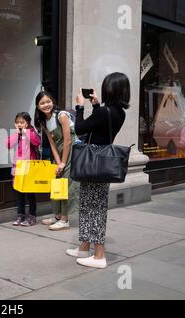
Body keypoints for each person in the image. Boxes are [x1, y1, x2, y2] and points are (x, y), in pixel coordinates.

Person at [66, 72, 129, 269]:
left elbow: (82, 128)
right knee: (89, 205)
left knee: (95, 208)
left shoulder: (104, 112)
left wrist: (79, 107)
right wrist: (95, 105)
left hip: (92, 162)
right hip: (101, 163)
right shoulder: (119, 112)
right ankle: (84, 247)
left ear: (109, 89)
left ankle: (99, 255)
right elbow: (101, 129)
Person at [34, 91, 80, 231]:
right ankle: (58, 215)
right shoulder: (43, 121)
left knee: (66, 184)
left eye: (48, 101)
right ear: (38, 106)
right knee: (57, 182)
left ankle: (65, 220)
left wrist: (63, 163)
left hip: (71, 151)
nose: (46, 105)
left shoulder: (62, 115)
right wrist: (58, 161)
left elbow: (67, 141)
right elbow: (52, 144)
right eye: (42, 103)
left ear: (53, 101)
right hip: (59, 153)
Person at [7, 112, 41, 227]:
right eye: (17, 122)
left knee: (30, 193)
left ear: (27, 123)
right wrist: (17, 134)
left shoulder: (30, 132)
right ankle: (20, 215)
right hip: (18, 168)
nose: (19, 124)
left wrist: (25, 132)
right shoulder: (16, 134)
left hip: (29, 168)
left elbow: (37, 142)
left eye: (22, 122)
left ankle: (32, 216)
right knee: (19, 193)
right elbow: (8, 144)